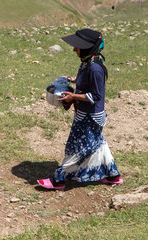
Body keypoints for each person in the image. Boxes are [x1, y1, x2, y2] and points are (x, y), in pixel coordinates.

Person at [38, 28, 123, 190]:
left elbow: (95, 96)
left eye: (78, 46)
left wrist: (72, 97)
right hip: (86, 113)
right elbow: (86, 82)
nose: (74, 49)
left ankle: (58, 180)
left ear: (87, 47)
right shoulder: (88, 61)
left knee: (77, 147)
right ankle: (113, 175)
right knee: (98, 144)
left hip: (90, 115)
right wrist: (72, 79)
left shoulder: (95, 68)